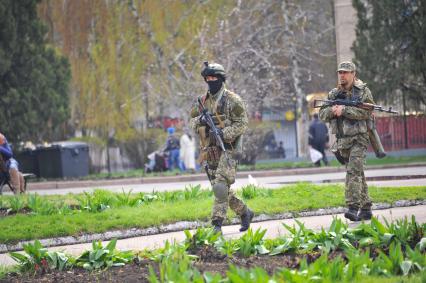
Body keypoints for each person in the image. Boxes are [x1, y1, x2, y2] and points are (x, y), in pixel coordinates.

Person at [190, 62, 254, 233]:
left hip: (229, 149)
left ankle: (216, 224)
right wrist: (201, 121)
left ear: (221, 78)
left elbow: (242, 123)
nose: (211, 81)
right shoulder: (202, 101)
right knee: (220, 189)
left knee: (220, 187)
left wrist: (224, 132)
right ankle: (245, 212)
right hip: (210, 150)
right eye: (208, 78)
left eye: (214, 78)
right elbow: (192, 122)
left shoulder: (233, 100)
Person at [319, 61, 374, 221]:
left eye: (346, 72)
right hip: (343, 140)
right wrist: (333, 110)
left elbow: (367, 111)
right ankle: (366, 208)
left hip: (359, 138)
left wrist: (345, 110)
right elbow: (321, 114)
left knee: (353, 172)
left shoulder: (363, 92)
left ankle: (353, 207)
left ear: (353, 74)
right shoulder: (334, 94)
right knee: (358, 173)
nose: (342, 75)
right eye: (340, 72)